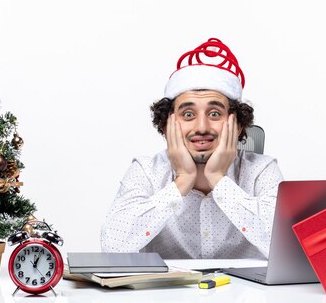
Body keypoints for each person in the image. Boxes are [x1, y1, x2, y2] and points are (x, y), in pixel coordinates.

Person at [100, 38, 283, 259]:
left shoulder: (262, 171)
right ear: (167, 125)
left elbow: (285, 248)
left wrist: (218, 179)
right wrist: (182, 182)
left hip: (246, 294)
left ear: (238, 125)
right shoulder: (147, 171)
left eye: (214, 114)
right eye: (188, 114)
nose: (202, 127)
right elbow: (112, 247)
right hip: (168, 293)